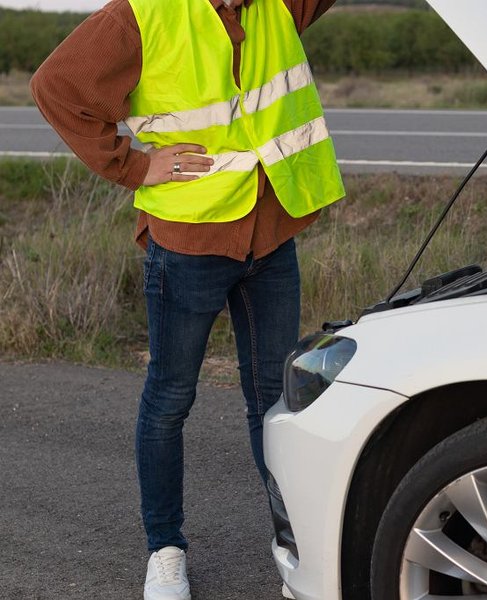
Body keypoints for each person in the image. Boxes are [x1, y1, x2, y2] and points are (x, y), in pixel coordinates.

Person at [30, 0, 343, 598]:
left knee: (274, 401)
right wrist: (133, 166)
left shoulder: (279, 5)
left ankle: (297, 544)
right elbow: (55, 86)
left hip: (272, 230)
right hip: (189, 240)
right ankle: (165, 550)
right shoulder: (141, 15)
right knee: (170, 398)